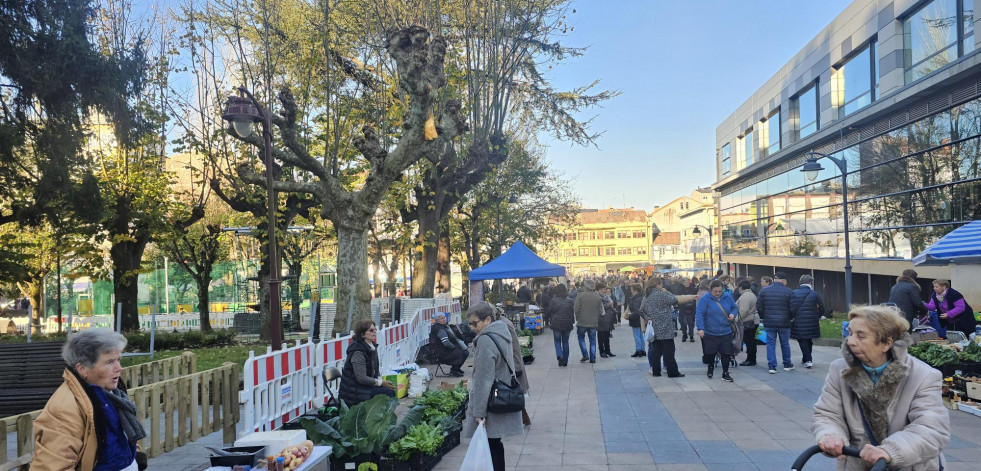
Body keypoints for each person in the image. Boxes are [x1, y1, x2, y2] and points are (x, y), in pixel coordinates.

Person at [813, 305, 950, 470]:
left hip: (909, 465)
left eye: (861, 336)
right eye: (850, 333)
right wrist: (830, 435)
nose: (850, 341)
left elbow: (930, 428)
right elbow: (828, 414)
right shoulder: (839, 370)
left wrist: (891, 451)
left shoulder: (924, 375)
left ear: (886, 343)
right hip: (857, 465)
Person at [33, 329, 148, 471]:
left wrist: (135, 457)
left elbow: (126, 432)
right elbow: (53, 466)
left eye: (118, 360)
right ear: (82, 369)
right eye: (110, 362)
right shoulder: (64, 409)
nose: (119, 368)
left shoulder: (113, 392)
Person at [463, 302, 524, 471]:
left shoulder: (485, 340)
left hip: (490, 402)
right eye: (469, 324)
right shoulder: (502, 333)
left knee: (491, 446)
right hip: (499, 395)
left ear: (488, 320)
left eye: (475, 323)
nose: (472, 327)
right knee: (495, 444)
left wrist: (479, 412)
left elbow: (483, 379)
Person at [641, 276, 697, 378]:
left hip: (654, 327)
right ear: (657, 284)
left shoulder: (647, 296)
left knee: (656, 352)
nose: (662, 286)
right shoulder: (662, 294)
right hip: (665, 327)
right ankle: (672, 372)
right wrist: (666, 291)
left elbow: (641, 310)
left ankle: (656, 372)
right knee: (669, 352)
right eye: (661, 284)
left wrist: (647, 318)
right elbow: (674, 299)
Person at [339, 319, 396, 406]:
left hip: (363, 387)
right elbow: (361, 378)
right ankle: (378, 418)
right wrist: (381, 383)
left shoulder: (371, 347)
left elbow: (376, 371)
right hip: (353, 392)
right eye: (371, 330)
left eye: (375, 329)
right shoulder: (358, 352)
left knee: (390, 391)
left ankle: (382, 418)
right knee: (387, 393)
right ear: (362, 334)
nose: (374, 332)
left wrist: (381, 381)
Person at [695, 280, 739, 382]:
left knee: (726, 353)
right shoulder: (705, 299)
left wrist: (733, 314)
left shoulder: (727, 297)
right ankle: (711, 366)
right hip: (710, 332)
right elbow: (699, 314)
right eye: (716, 291)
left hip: (726, 331)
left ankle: (725, 373)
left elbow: (734, 307)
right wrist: (700, 328)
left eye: (720, 291)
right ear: (711, 290)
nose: (718, 293)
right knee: (710, 353)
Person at [757, 272, 795, 374]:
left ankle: (772, 366)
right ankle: (787, 364)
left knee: (770, 344)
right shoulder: (789, 291)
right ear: (783, 280)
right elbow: (793, 308)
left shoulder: (764, 291)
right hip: (784, 322)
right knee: (785, 343)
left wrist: (763, 317)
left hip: (769, 321)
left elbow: (759, 306)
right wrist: (790, 317)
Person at [790, 275, 824, 369]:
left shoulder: (794, 293)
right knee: (808, 339)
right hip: (812, 320)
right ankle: (806, 358)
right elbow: (822, 307)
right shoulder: (815, 294)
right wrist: (818, 316)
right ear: (810, 283)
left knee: (802, 339)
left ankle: (808, 359)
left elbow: (791, 307)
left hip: (798, 321)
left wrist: (792, 316)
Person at [573, 278, 602, 363]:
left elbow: (576, 309)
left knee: (581, 338)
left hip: (582, 321)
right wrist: (596, 317)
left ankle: (585, 354)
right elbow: (601, 311)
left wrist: (578, 317)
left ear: (585, 286)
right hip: (593, 322)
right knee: (592, 340)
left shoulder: (580, 296)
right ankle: (593, 358)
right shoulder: (597, 296)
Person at [546, 283, 575, 366]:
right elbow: (572, 312)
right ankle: (565, 361)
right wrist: (572, 322)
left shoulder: (553, 301)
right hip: (567, 323)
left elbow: (550, 310)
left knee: (557, 340)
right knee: (565, 342)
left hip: (556, 323)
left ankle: (560, 355)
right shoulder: (570, 301)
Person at [736, 280, 759, 367]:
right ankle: (751, 359)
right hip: (753, 320)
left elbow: (744, 310)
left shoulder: (745, 296)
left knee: (749, 341)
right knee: (752, 341)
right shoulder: (751, 294)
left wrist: (735, 319)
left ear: (741, 287)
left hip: (748, 321)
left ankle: (750, 359)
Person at [596, 282, 617, 358]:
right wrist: (609, 304)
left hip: (608, 319)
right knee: (601, 337)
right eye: (604, 289)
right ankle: (602, 351)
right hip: (601, 320)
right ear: (599, 289)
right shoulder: (597, 297)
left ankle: (608, 350)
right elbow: (599, 308)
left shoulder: (606, 296)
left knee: (607, 336)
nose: (605, 290)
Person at [626, 283, 646, 357]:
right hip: (641, 319)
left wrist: (630, 316)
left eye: (631, 289)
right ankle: (643, 350)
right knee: (641, 335)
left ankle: (638, 350)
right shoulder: (641, 297)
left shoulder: (636, 299)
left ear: (635, 290)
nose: (631, 291)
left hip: (636, 320)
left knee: (637, 335)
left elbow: (637, 311)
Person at [677, 277, 698, 342]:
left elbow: (695, 297)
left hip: (691, 308)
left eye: (688, 282)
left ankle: (691, 336)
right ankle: (684, 335)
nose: (687, 283)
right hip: (683, 309)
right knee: (683, 323)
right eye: (685, 282)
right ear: (683, 283)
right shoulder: (680, 290)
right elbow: (678, 299)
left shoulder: (693, 289)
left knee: (691, 323)